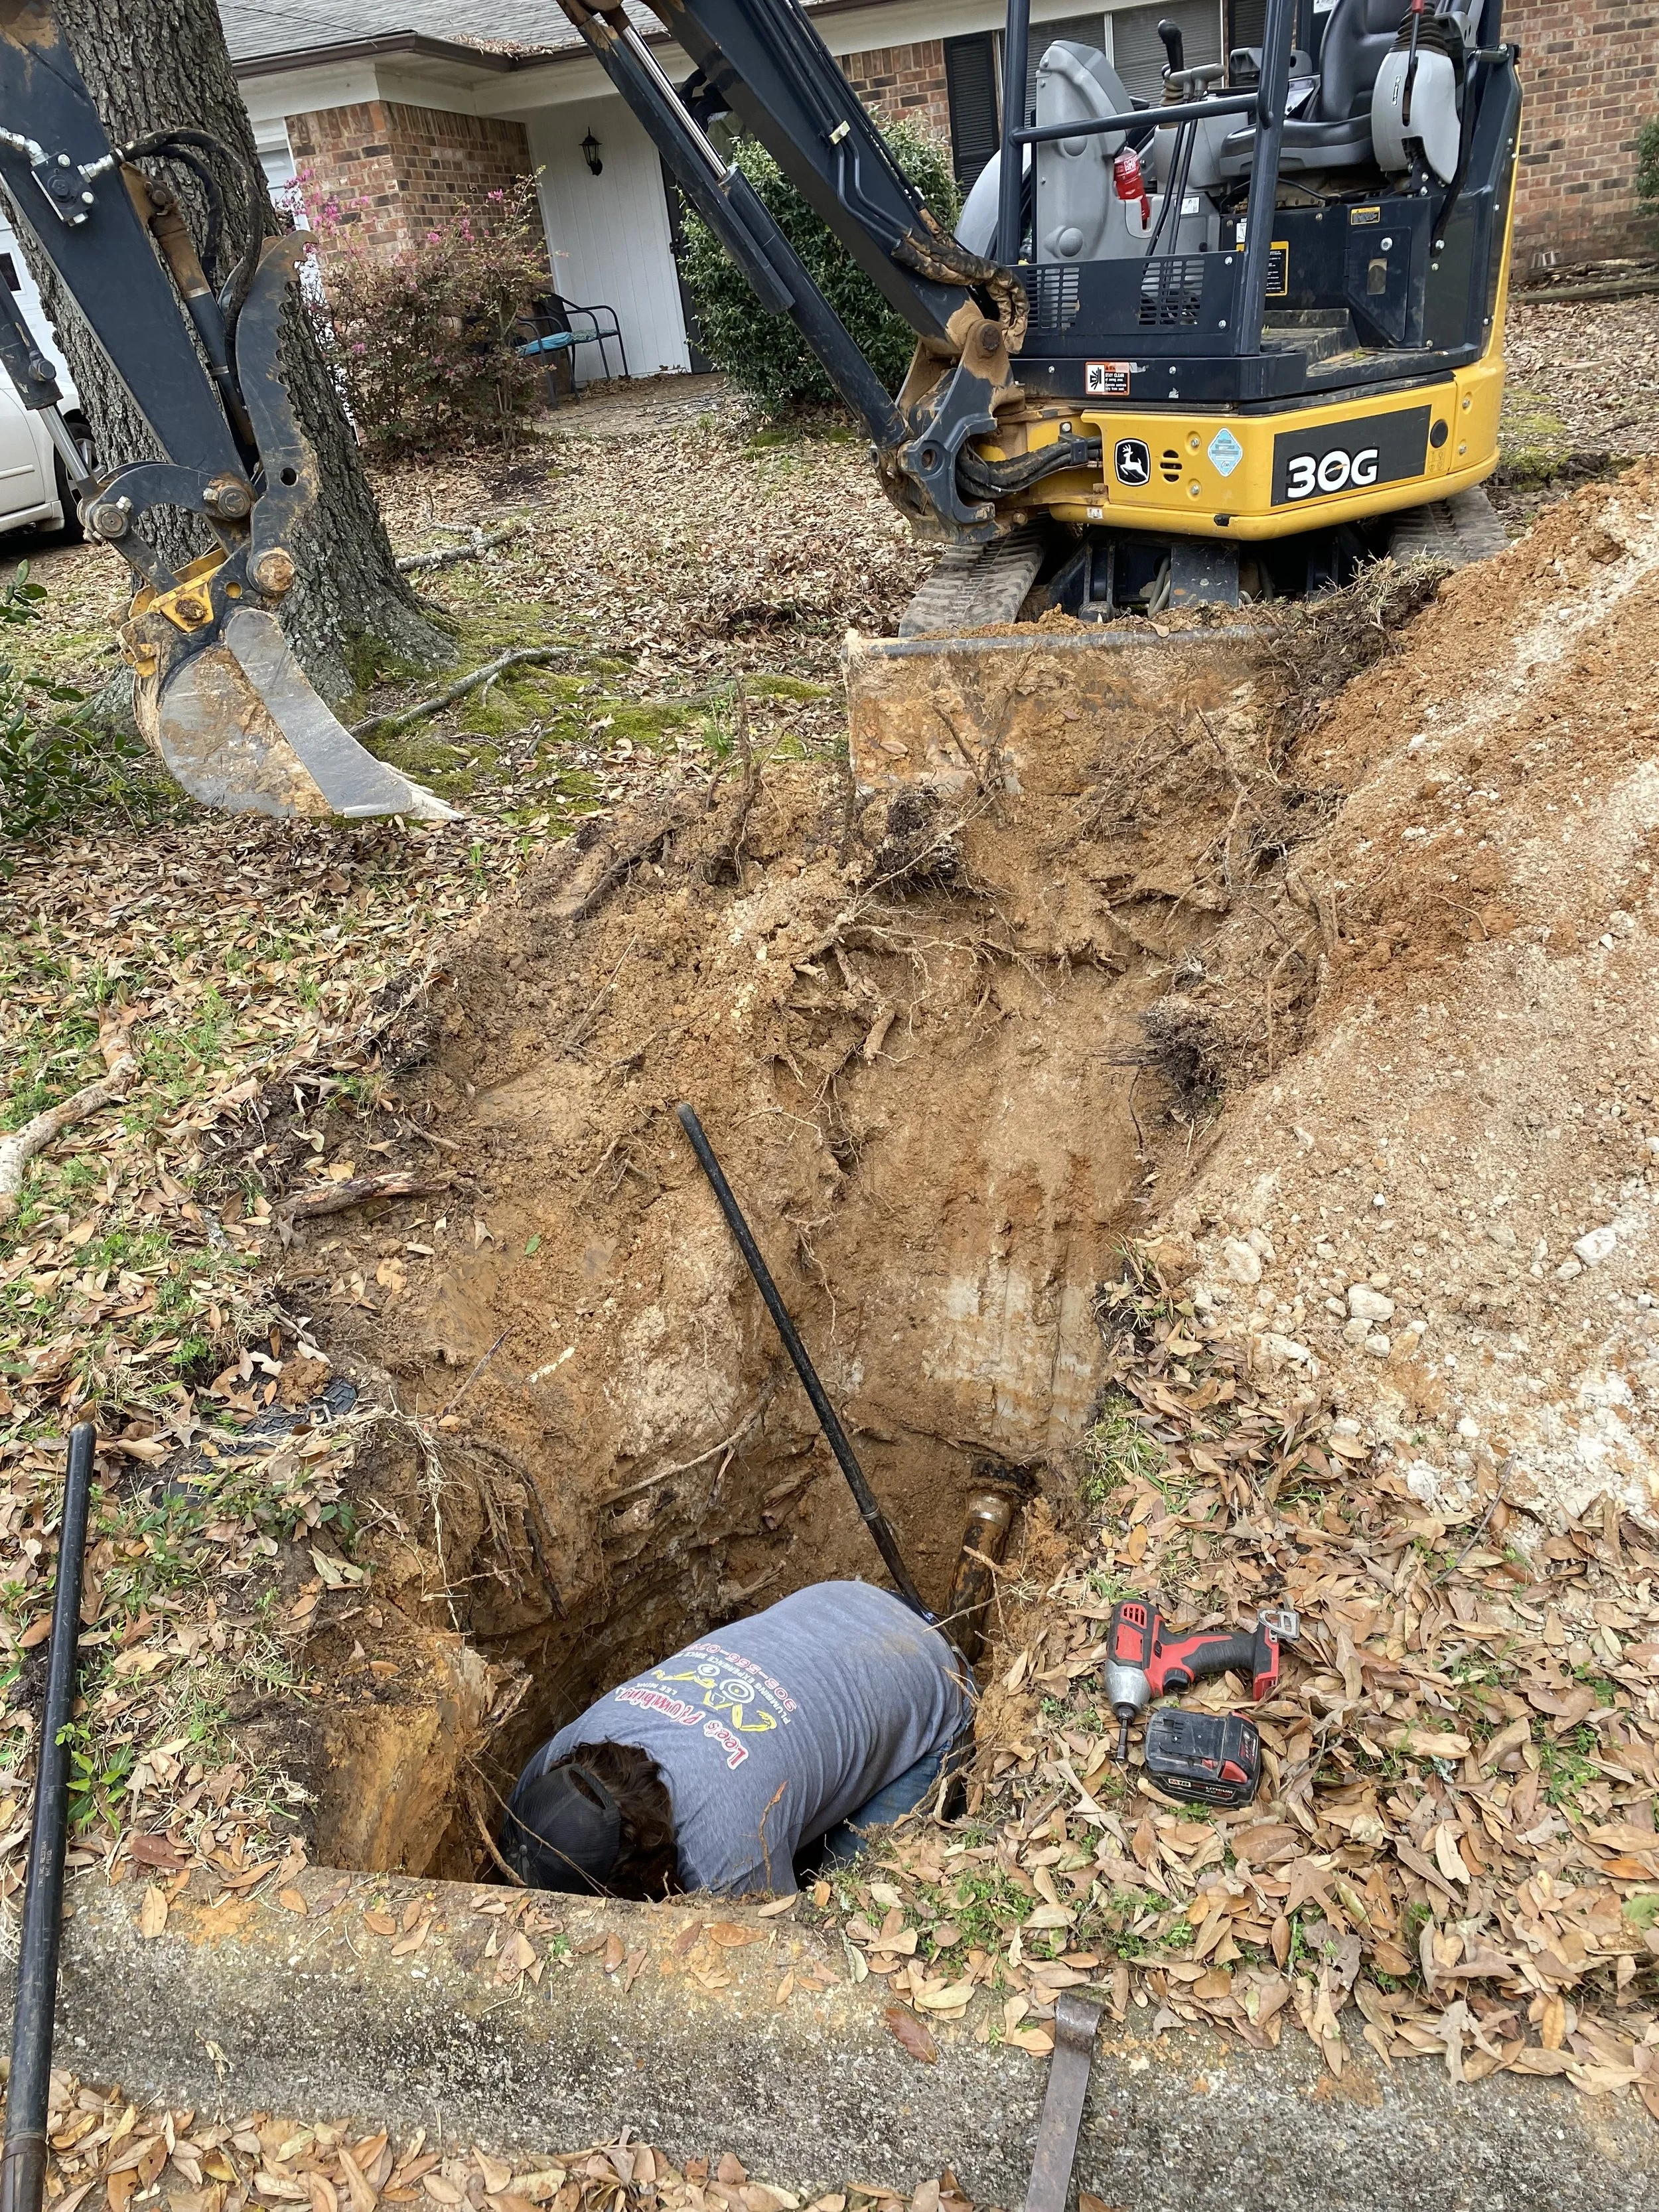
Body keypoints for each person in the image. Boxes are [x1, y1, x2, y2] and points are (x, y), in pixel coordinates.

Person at [500, 1580, 974, 1897]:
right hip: (838, 1600)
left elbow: (777, 1958)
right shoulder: (559, 1758)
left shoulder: (724, 1860)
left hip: (933, 1685)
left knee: (841, 1902)